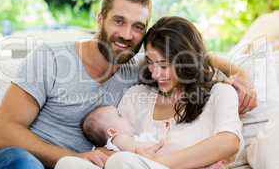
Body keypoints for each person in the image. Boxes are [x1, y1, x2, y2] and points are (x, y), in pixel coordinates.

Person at [0, 0, 256, 169]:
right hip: (25, 160)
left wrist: (239, 73)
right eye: (119, 21)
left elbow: (187, 56)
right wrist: (74, 156)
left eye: (138, 26)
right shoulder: (51, 59)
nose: (127, 35)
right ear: (100, 19)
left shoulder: (140, 68)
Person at [55, 16, 243, 169]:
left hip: (144, 166)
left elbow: (229, 142)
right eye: (151, 63)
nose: (155, 73)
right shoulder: (138, 96)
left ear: (187, 61)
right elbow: (114, 144)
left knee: (122, 162)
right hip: (130, 165)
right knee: (68, 164)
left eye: (163, 65)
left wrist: (154, 163)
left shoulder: (220, 93)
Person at [80, 105, 224, 169]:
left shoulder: (130, 138)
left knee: (175, 150)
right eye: (119, 116)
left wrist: (163, 134)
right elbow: (138, 150)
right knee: (173, 150)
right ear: (112, 131)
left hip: (160, 160)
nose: (125, 117)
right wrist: (160, 144)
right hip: (153, 161)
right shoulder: (118, 139)